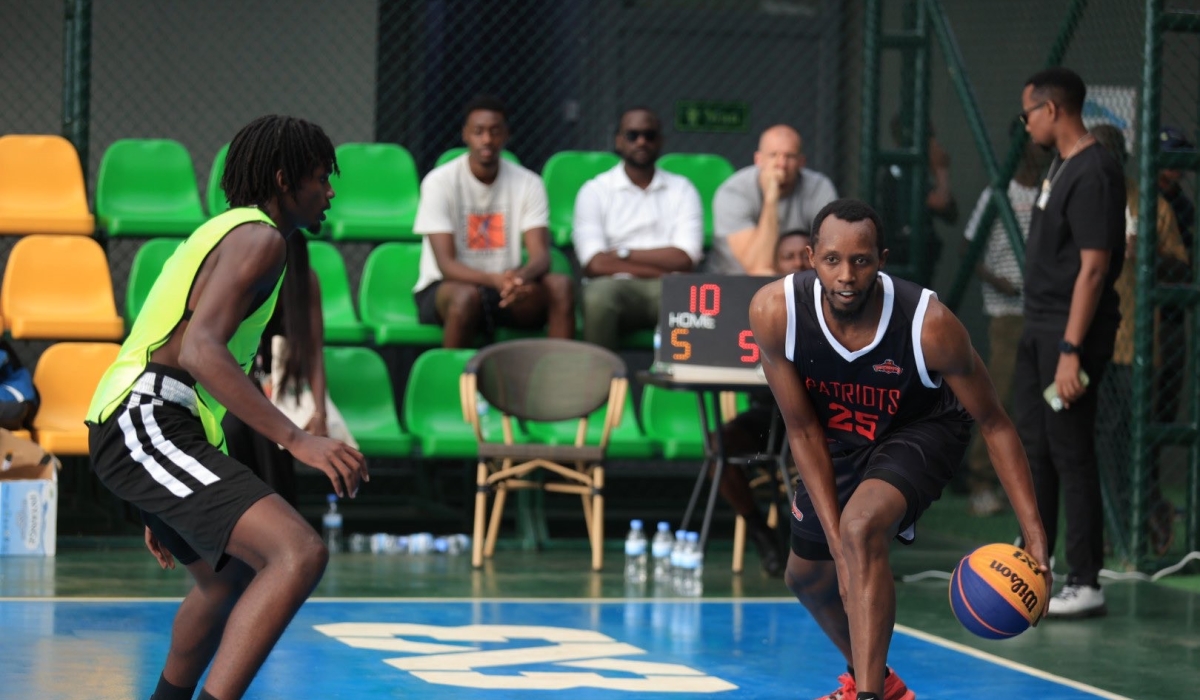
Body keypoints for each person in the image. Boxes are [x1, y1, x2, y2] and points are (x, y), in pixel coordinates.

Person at [85, 115, 368, 700]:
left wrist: (161, 494)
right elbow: (200, 351)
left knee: (226, 581)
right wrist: (299, 438)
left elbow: (183, 349)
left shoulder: (231, 233)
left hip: (156, 428)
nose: (330, 192)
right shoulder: (260, 239)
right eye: (322, 178)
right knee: (298, 553)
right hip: (147, 420)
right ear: (285, 179)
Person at [750, 199, 1049, 700]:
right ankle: (878, 683)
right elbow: (802, 431)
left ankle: (867, 697)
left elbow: (995, 424)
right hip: (837, 437)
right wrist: (836, 553)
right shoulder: (774, 312)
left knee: (860, 528)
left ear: (882, 260)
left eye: (861, 260)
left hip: (920, 430)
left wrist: (1035, 536)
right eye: (832, 260)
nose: (847, 276)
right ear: (810, 257)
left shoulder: (929, 325)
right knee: (807, 577)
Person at [1015, 67, 1125, 618]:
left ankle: (1085, 581)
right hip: (1038, 327)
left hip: (1068, 335)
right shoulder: (1059, 165)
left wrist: (1070, 350)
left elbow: (1094, 268)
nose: (1025, 124)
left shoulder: (1095, 171)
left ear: (1052, 110)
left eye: (1027, 114)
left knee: (1070, 450)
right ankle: (1034, 559)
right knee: (1034, 445)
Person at [1091, 123, 1187, 557]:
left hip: (1134, 342)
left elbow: (1182, 269)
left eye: (1109, 157)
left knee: (1131, 436)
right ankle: (1112, 525)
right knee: (1093, 437)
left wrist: (1145, 254)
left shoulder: (1149, 204)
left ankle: (1145, 515)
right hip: (1083, 339)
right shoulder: (1076, 196)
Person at [413, 95, 575, 348]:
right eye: (478, 132)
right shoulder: (439, 182)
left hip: (506, 289)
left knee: (560, 286)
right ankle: (454, 374)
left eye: (495, 131)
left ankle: (559, 371)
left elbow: (541, 257)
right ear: (465, 135)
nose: (487, 139)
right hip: (446, 288)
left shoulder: (529, 183)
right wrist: (496, 280)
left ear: (506, 135)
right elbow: (446, 265)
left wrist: (519, 279)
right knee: (465, 297)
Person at [960, 130, 1050, 516]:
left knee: (1040, 402)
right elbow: (968, 248)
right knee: (1001, 396)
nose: (1042, 151)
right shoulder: (998, 194)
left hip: (1046, 310)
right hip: (1006, 312)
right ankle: (980, 480)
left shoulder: (1049, 191)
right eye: (1035, 144)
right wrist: (998, 281)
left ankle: (1026, 485)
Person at [717, 229, 813, 577]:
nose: (797, 263)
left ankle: (811, 545)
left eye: (804, 256)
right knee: (720, 446)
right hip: (769, 419)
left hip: (820, 421)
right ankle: (762, 533)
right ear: (776, 265)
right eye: (788, 257)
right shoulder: (760, 306)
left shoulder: (836, 306)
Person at [572, 107, 703, 350]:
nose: (641, 142)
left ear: (660, 141)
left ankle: (677, 377)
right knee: (597, 297)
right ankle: (602, 376)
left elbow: (685, 259)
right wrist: (659, 268)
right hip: (614, 285)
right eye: (632, 135)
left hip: (667, 287)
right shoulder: (595, 191)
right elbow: (594, 264)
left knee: (687, 298)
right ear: (618, 141)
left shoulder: (682, 189)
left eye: (649, 135)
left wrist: (623, 253)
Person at [222, 232, 331, 508]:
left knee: (275, 428)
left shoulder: (306, 282)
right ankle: (245, 510)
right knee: (235, 427)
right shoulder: (249, 277)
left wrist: (320, 412)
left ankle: (278, 510)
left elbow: (314, 353)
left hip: (284, 384)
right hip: (240, 377)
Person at [708, 125, 837, 275]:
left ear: (801, 162)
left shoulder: (819, 188)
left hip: (801, 279)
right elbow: (758, 267)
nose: (781, 164)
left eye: (790, 156)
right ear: (758, 159)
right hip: (735, 280)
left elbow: (831, 250)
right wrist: (771, 199)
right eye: (773, 155)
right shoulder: (733, 192)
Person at [876, 118, 959, 284]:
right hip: (898, 262)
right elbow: (941, 202)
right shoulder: (899, 169)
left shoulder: (916, 173)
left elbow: (951, 214)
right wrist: (941, 169)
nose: (935, 143)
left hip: (918, 262)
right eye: (930, 137)